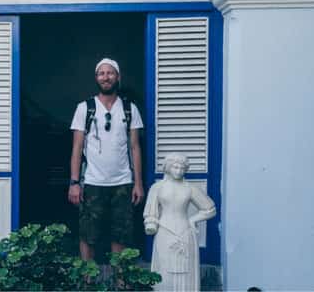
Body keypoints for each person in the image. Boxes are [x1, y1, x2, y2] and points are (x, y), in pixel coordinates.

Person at [68, 57, 144, 263]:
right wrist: (74, 183)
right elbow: (76, 148)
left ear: (118, 77)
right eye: (101, 73)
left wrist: (138, 183)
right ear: (96, 78)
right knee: (88, 234)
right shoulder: (85, 108)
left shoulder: (129, 109)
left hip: (122, 182)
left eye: (110, 73)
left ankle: (119, 278)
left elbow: (135, 147)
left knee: (121, 234)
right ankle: (88, 278)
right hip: (92, 182)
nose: (106, 77)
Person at [143, 152, 216, 292]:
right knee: (164, 270)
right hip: (164, 231)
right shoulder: (157, 187)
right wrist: (151, 223)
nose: (179, 171)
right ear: (168, 167)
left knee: (185, 271)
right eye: (175, 167)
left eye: (182, 168)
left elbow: (210, 209)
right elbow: (150, 212)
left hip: (185, 232)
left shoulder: (190, 188)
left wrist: (193, 219)